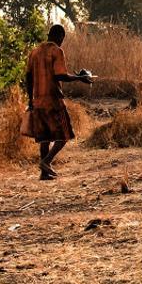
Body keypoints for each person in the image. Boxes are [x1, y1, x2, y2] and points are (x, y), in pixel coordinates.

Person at [22, 23, 92, 180]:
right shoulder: (56, 51)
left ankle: (44, 174)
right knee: (64, 135)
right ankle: (46, 162)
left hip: (38, 100)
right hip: (53, 100)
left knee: (45, 138)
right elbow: (60, 76)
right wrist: (80, 78)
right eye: (62, 39)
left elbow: (28, 77)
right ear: (60, 37)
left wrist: (30, 99)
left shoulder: (34, 52)